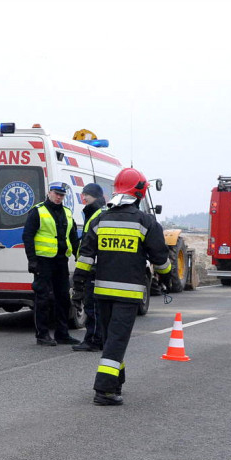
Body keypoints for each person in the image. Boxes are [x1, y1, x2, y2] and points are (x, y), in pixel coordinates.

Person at [72, 168, 172, 406]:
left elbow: (85, 257)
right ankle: (104, 390)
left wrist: (77, 286)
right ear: (139, 192)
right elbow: (160, 259)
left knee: (110, 340)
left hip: (102, 292)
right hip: (128, 295)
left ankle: (117, 381)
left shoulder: (100, 219)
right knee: (116, 341)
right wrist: (167, 280)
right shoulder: (146, 222)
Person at [22, 182, 81, 346]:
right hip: (43, 261)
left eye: (62, 195)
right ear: (49, 192)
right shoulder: (38, 211)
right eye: (56, 194)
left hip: (61, 260)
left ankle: (62, 334)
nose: (59, 197)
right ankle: (42, 334)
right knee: (43, 298)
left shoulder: (68, 213)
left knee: (63, 297)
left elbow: (74, 238)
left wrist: (79, 256)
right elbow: (28, 236)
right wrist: (32, 260)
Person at [72, 182, 106, 352]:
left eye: (86, 194)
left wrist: (80, 274)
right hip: (98, 266)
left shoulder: (96, 214)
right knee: (97, 306)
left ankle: (93, 340)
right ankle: (98, 338)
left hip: (93, 267)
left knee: (92, 305)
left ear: (95, 196)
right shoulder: (97, 212)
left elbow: (89, 245)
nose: (83, 197)